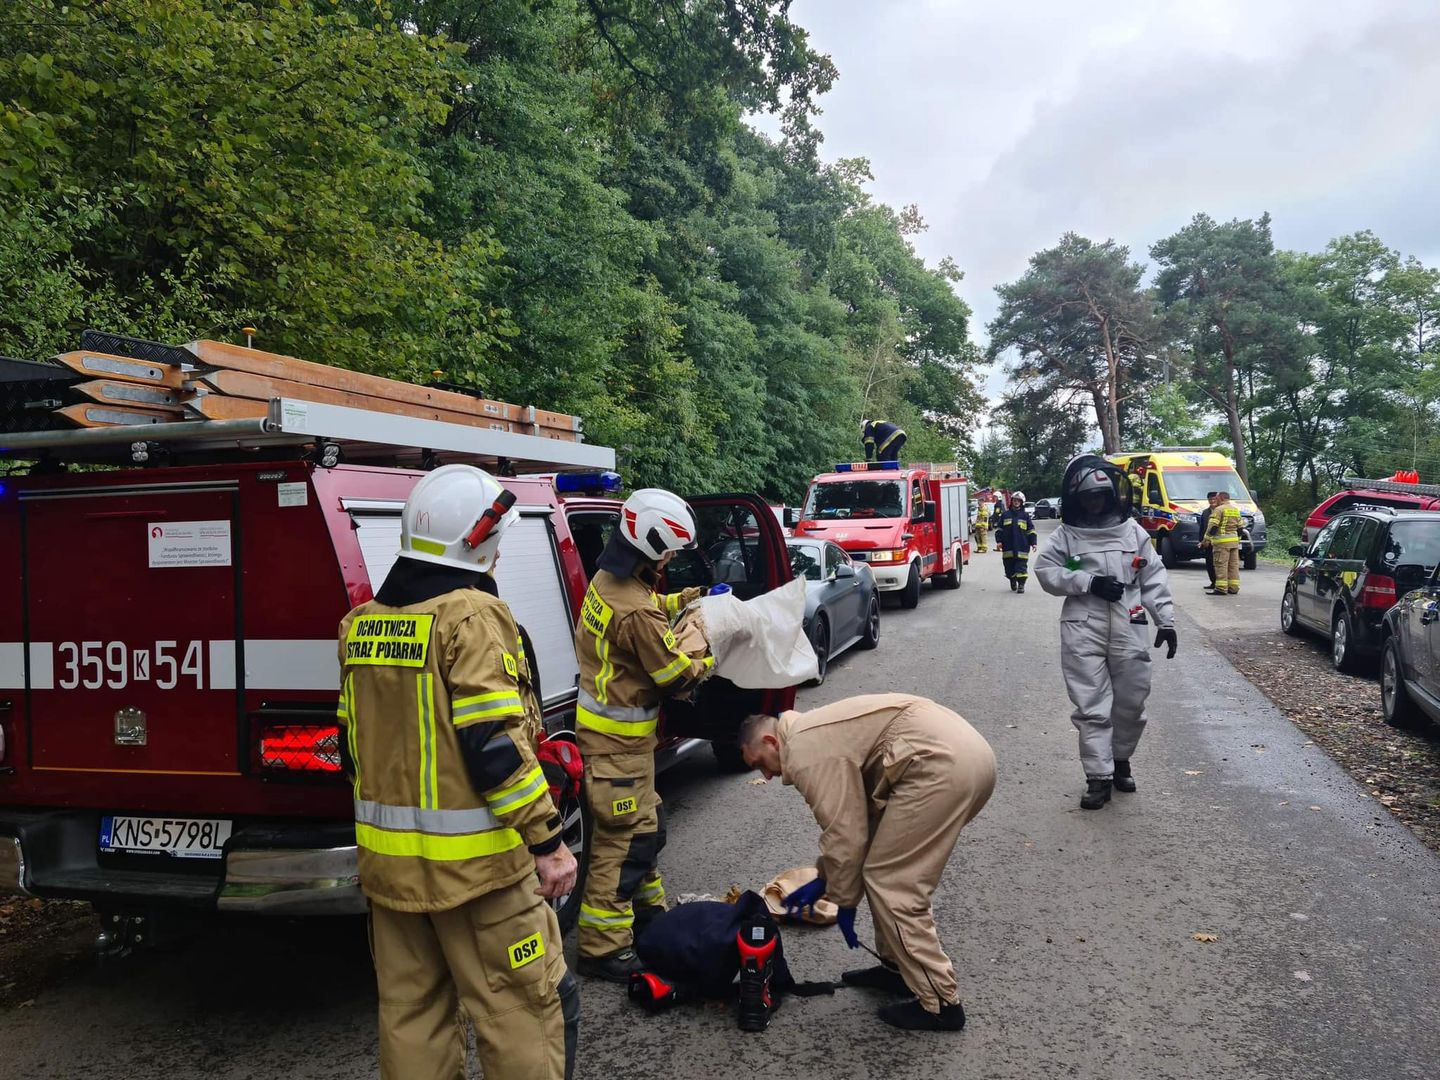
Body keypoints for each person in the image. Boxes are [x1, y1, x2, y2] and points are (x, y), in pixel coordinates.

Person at [337, 464, 579, 1080]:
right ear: (479, 539)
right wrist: (549, 843)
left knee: (412, 1018)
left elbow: (349, 746)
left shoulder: (361, 625)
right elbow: (494, 745)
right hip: (481, 876)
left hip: (391, 874)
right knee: (520, 1012)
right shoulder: (469, 616)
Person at [738, 695, 995, 1032]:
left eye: (760, 763)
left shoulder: (802, 752)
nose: (767, 775)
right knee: (882, 866)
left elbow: (845, 834)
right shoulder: (811, 732)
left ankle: (941, 1004)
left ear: (771, 741)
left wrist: (843, 900)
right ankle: (898, 970)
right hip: (961, 757)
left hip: (939, 766)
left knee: (894, 884)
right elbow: (862, 825)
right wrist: (827, 879)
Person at [573, 488, 716, 981]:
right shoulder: (634, 612)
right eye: (670, 549)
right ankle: (601, 947)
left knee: (647, 829)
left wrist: (687, 599)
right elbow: (674, 678)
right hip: (617, 748)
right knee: (621, 845)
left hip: (620, 748)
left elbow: (648, 605)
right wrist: (711, 654)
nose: (673, 558)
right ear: (652, 543)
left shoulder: (609, 582)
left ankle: (649, 912)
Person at [1034, 455, 1179, 810]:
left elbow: (1153, 578)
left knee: (1131, 703)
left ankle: (1121, 762)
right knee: (1091, 705)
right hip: (1084, 624)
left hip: (1129, 624)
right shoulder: (1067, 535)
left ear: (1113, 495)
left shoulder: (1133, 532)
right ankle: (1097, 778)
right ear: (1078, 499)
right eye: (1088, 497)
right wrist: (1088, 582)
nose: (1094, 503)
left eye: (1100, 496)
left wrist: (1167, 620)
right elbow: (1045, 571)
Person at [993, 490, 1038, 592]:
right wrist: (999, 541)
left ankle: (1021, 584)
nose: (1016, 502)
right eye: (1015, 500)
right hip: (1008, 547)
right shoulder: (1005, 515)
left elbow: (1031, 530)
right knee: (1009, 568)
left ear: (1022, 502)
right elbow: (999, 529)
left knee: (1021, 567)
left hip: (1022, 547)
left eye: (1018, 500)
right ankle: (1012, 580)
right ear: (1012, 501)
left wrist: (1034, 543)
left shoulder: (1025, 516)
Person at [1206, 490, 1244, 595]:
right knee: (1233, 565)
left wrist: (1206, 539)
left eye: (1216, 498)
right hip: (1234, 542)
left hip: (1222, 543)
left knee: (1221, 564)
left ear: (1221, 498)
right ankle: (1233, 587)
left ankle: (1221, 588)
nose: (1215, 500)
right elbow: (1240, 528)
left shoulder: (1218, 510)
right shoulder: (1235, 510)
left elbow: (1213, 527)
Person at [1197, 492, 1219, 593]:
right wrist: (1201, 541)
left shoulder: (1221, 511)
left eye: (1214, 499)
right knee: (1209, 563)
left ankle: (1220, 583)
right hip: (1208, 542)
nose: (1212, 501)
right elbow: (1202, 528)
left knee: (1218, 564)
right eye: (1210, 499)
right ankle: (1213, 582)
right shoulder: (1205, 512)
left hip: (1219, 542)